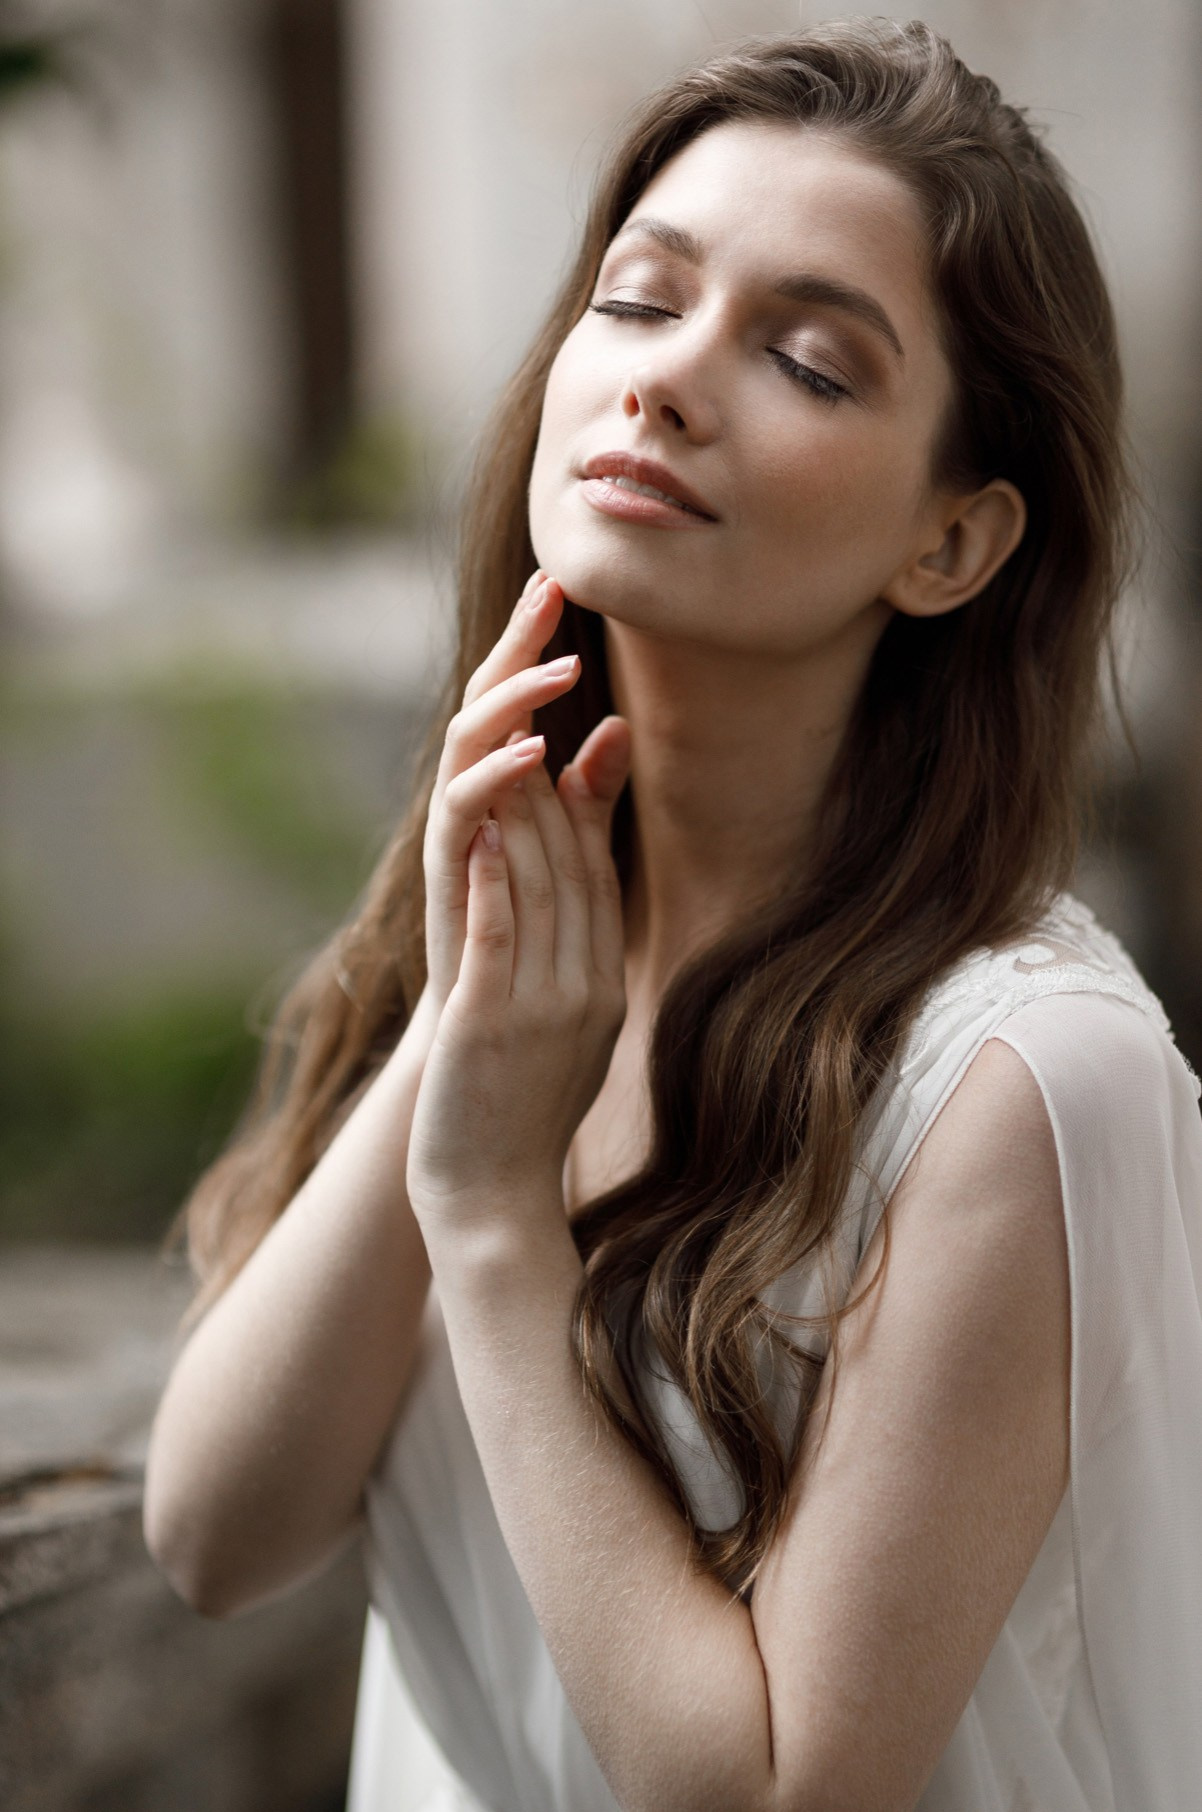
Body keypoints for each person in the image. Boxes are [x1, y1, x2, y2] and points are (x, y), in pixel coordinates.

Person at [143, 19, 1202, 1812]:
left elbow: (770, 1796)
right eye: (636, 300)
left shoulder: (1020, 1081)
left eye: (804, 358)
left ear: (951, 543)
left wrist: (493, 1220)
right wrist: (462, 1031)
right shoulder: (512, 965)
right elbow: (214, 1532)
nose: (666, 380)